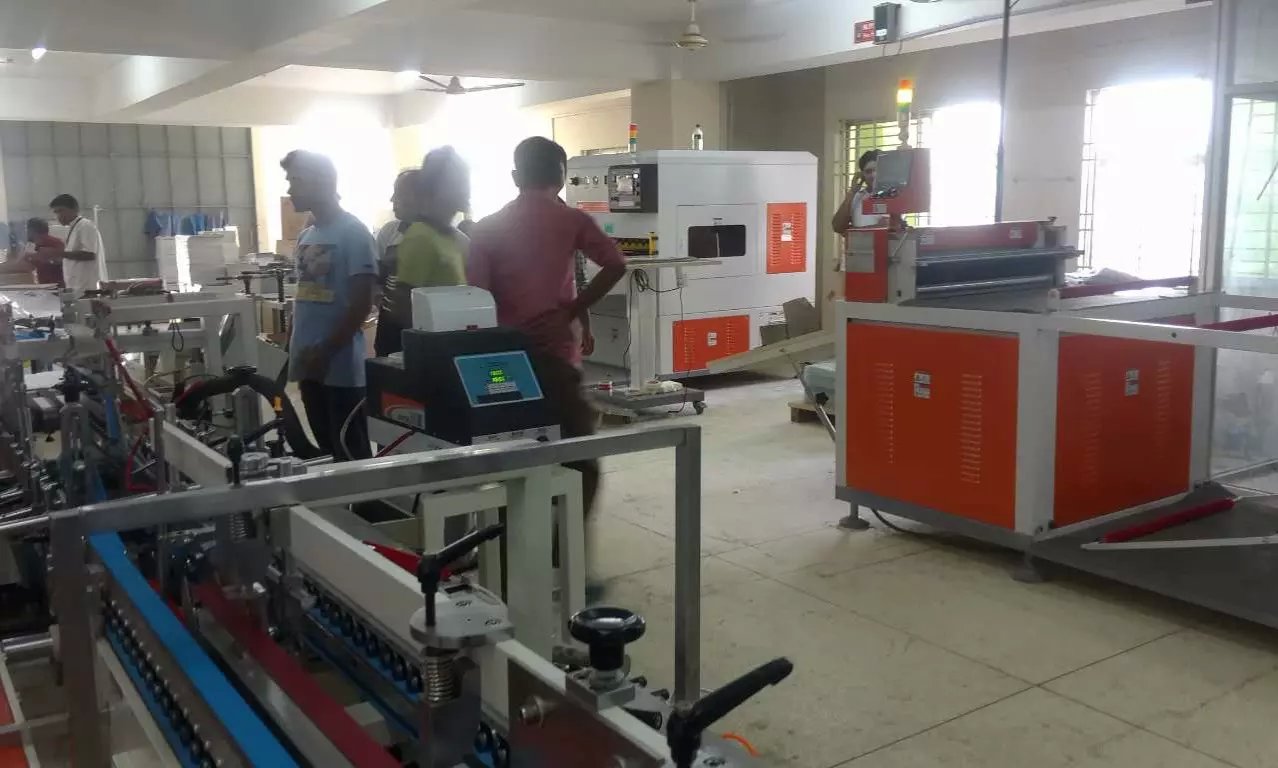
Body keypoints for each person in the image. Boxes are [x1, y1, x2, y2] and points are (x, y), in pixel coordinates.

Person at [466, 136, 626, 522]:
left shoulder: (487, 228)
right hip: (555, 361)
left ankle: (513, 542)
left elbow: (475, 300)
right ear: (561, 175)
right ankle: (566, 544)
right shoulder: (571, 220)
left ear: (515, 176)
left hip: (503, 363)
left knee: (514, 460)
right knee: (579, 459)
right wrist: (572, 311)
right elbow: (616, 264)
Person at [281, 150, 378, 461]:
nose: (290, 190)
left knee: (351, 454)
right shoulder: (306, 236)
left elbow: (362, 304)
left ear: (321, 181)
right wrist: (294, 345)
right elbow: (305, 296)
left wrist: (326, 351)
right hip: (308, 364)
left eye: (295, 180)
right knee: (326, 453)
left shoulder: (353, 232)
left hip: (340, 368)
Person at [376, 147, 471, 356]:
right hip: (428, 350)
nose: (465, 191)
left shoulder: (449, 237)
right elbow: (403, 305)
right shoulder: (421, 235)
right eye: (459, 183)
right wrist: (432, 346)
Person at [373, 169, 422, 356]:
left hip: (426, 325)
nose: (392, 199)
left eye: (399, 194)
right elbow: (377, 278)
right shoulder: (389, 232)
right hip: (390, 327)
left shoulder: (454, 239)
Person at [49, 194, 106, 294]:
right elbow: (74, 257)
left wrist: (59, 253)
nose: (58, 216)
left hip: (87, 288)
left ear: (75, 209)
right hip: (76, 286)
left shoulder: (85, 225)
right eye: (56, 212)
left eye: (61, 211)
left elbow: (90, 254)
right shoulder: (73, 228)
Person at [831, 149, 887, 234]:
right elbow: (837, 227)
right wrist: (852, 192)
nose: (873, 175)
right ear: (862, 175)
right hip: (860, 243)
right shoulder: (856, 197)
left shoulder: (894, 196)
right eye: (868, 171)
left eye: (877, 170)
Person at [0, 219, 64, 286]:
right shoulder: (34, 243)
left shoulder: (47, 243)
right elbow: (21, 262)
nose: (25, 232)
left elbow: (26, 266)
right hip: (46, 284)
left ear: (31, 230)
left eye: (26, 229)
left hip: (54, 286)